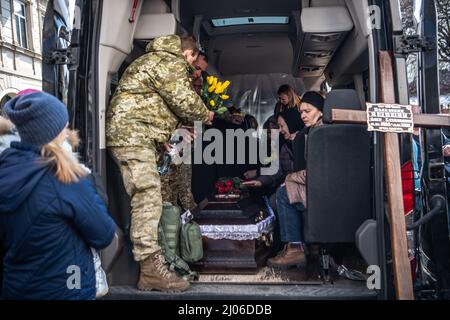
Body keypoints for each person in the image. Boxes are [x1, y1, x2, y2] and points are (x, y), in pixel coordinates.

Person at [106, 34, 214, 292]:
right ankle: (150, 268)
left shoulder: (150, 60)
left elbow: (152, 106)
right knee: (148, 195)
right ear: (188, 54)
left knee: (148, 195)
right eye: (194, 61)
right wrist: (205, 113)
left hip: (135, 134)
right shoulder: (170, 61)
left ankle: (151, 265)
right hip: (132, 136)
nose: (193, 68)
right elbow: (185, 101)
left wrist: (162, 138)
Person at [0, 92, 116, 299]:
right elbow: (104, 234)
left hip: (17, 289)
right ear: (54, 130)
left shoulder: (6, 168)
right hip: (67, 289)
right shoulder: (65, 178)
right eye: (63, 123)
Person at [267, 91, 325, 269]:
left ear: (321, 111)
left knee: (283, 194)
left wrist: (290, 178)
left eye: (308, 111)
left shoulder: (319, 134)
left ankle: (294, 248)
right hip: (325, 191)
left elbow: (317, 172)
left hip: (321, 195)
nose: (303, 115)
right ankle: (292, 247)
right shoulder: (313, 131)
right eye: (301, 112)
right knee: (283, 190)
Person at [242, 107, 304, 191]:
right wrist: (260, 181)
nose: (280, 130)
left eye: (281, 126)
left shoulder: (306, 143)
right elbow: (277, 170)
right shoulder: (284, 147)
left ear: (291, 124)